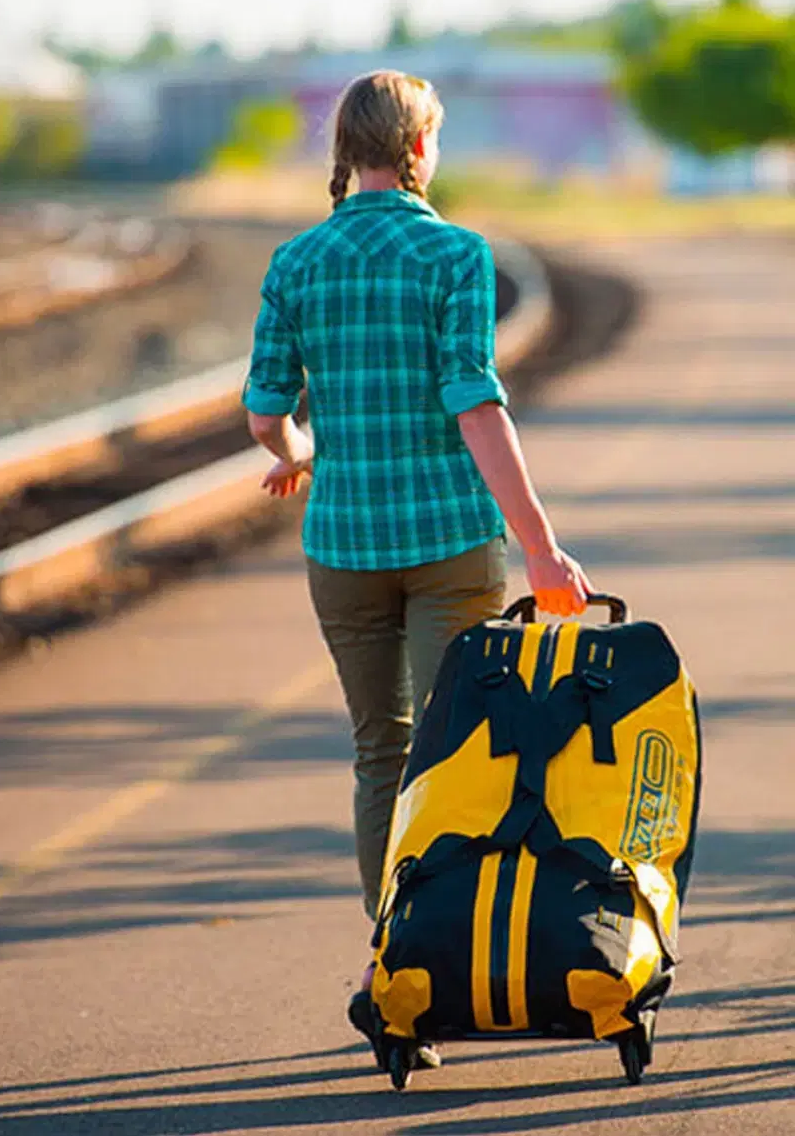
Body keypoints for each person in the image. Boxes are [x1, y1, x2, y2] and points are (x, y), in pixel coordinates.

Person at [242, 70, 592, 1070]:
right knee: (451, 758)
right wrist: (539, 546)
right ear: (420, 149)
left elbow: (267, 410)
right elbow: (474, 405)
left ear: (345, 154)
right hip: (449, 545)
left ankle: (387, 960)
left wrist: (298, 455)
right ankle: (420, 970)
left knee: (378, 755)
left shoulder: (296, 260)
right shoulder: (455, 253)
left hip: (342, 548)